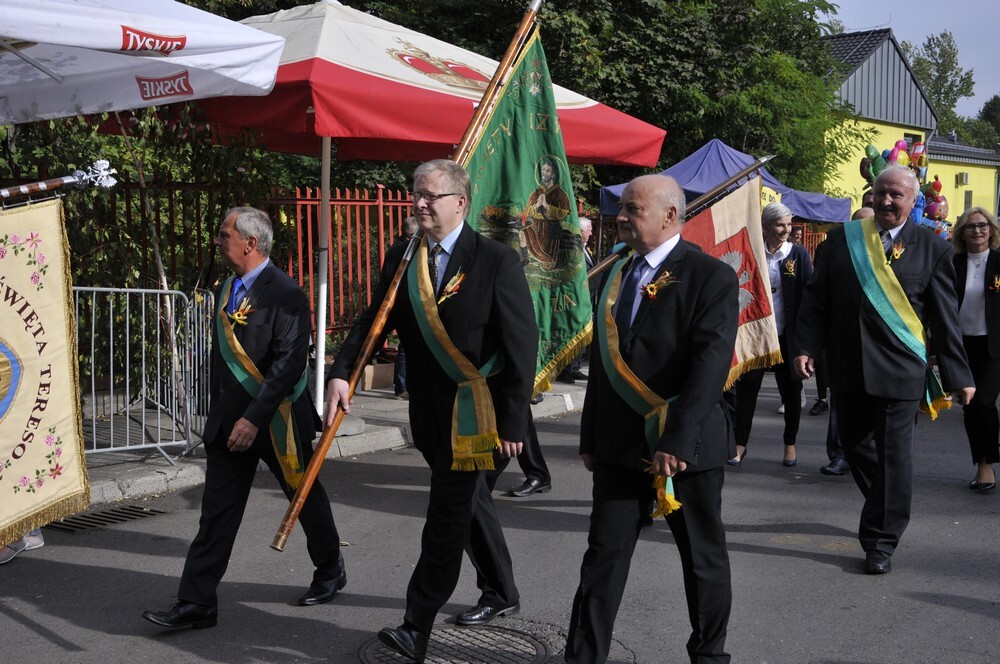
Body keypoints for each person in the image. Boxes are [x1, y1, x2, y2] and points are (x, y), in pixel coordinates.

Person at [326, 159, 537, 663]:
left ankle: (416, 624)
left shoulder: (494, 259)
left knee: (446, 513)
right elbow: (374, 319)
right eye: (415, 194)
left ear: (459, 203)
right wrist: (342, 370)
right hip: (427, 412)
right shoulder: (404, 256)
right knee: (465, 505)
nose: (418, 203)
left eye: (429, 196)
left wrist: (512, 420)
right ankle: (501, 588)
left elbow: (521, 343)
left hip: (476, 415)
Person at [143, 208, 345, 629]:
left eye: (224, 235)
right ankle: (197, 603)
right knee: (216, 514)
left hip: (276, 420)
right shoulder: (226, 287)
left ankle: (330, 569)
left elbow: (289, 364)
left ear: (250, 244)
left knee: (304, 498)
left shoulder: (286, 292)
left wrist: (254, 417)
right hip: (229, 423)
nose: (218, 241)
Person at [566, 174, 738, 663]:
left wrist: (677, 440)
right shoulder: (616, 272)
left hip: (687, 449)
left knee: (701, 560)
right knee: (603, 559)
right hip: (620, 445)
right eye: (622, 208)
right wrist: (590, 435)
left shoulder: (711, 277)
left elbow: (710, 367)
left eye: (632, 209)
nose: (620, 217)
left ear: (669, 215)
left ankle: (709, 656)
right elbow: (603, 362)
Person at [794, 166, 974, 575]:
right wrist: (804, 347)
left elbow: (946, 320)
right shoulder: (842, 240)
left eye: (897, 195)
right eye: (882, 193)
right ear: (871, 196)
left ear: (914, 202)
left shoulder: (933, 248)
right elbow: (816, 300)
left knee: (894, 458)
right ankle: (891, 500)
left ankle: (880, 542)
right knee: (855, 447)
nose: (888, 201)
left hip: (900, 370)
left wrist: (959, 376)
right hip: (847, 366)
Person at [730, 203, 812, 467]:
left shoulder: (798, 255)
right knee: (746, 393)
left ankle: (790, 444)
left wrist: (805, 342)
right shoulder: (753, 251)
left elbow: (809, 296)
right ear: (765, 227)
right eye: (780, 225)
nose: (786, 230)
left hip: (788, 337)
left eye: (789, 225)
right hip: (758, 336)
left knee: (790, 393)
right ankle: (740, 445)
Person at [816, 207, 874, 477]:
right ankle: (839, 455)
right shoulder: (832, 250)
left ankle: (869, 456)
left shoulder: (887, 252)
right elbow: (818, 297)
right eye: (859, 225)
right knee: (841, 403)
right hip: (842, 341)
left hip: (878, 346)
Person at [951, 206, 1000, 492]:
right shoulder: (953, 262)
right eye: (970, 227)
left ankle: (987, 465)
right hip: (962, 344)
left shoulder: (998, 261)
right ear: (961, 233)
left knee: (983, 402)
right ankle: (979, 461)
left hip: (994, 345)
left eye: (982, 225)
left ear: (991, 230)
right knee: (969, 406)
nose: (977, 231)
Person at [393, 216, 420, 399]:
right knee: (404, 348)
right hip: (405, 304)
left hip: (410, 303)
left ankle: (405, 385)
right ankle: (401, 387)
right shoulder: (401, 252)